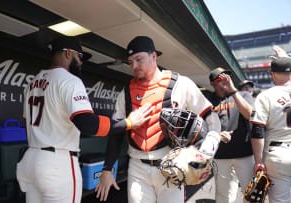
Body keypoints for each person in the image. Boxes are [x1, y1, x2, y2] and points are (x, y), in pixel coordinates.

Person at [16, 37, 153, 203]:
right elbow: (87, 123)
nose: (81, 63)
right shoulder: (69, 80)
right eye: (79, 57)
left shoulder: (32, 83)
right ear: (68, 53)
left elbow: (26, 122)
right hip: (57, 163)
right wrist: (129, 123)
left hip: (29, 160)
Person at [95, 36, 228, 203]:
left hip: (173, 166)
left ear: (153, 56)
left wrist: (210, 145)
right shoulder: (127, 91)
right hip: (137, 168)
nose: (134, 66)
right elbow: (117, 131)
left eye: (138, 59)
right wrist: (107, 169)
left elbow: (210, 115)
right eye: (130, 62)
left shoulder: (181, 83)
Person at [206, 67, 254, 203]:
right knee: (223, 195)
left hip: (244, 153)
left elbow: (250, 115)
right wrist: (216, 134)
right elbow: (203, 125)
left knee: (250, 192)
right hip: (220, 155)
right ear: (213, 84)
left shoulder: (243, 95)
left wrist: (233, 91)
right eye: (222, 80)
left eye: (228, 78)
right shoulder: (209, 99)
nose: (226, 81)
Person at [250, 56, 291, 202]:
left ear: (272, 73)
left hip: (278, 155)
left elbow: (257, 130)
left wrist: (258, 161)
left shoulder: (266, 96)